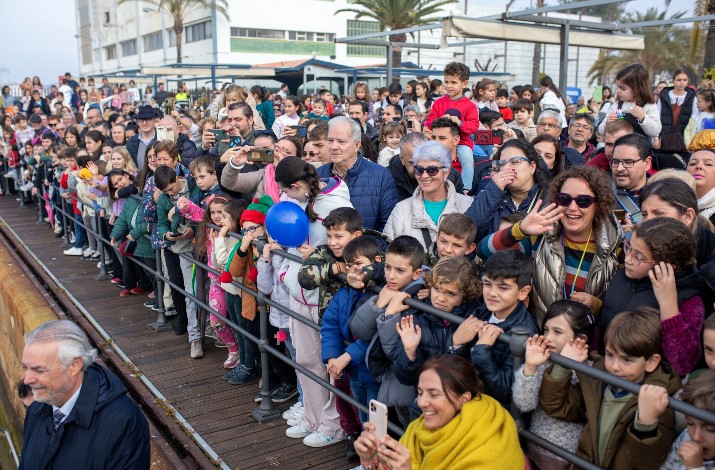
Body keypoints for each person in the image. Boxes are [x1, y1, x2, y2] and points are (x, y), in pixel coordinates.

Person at [539, 308, 681, 469]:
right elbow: (556, 406)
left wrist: (646, 422)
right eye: (610, 355)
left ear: (651, 362)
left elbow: (648, 463)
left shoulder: (658, 398)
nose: (614, 367)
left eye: (627, 360)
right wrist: (563, 365)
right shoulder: (599, 379)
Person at [478, 166, 622, 323]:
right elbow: (485, 251)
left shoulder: (617, 246)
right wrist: (520, 229)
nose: (572, 207)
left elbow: (622, 310)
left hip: (583, 342)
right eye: (564, 199)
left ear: (599, 204)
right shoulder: (540, 236)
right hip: (539, 339)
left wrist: (597, 306)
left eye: (583, 201)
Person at [353, 355, 524, 470]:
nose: (421, 402)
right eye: (420, 392)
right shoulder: (418, 429)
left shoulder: (491, 448)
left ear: (463, 398)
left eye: (433, 394)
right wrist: (371, 460)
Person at [19, 320, 150, 469]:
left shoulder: (123, 422)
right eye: (25, 368)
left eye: (39, 370)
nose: (27, 380)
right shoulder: (36, 409)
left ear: (74, 365)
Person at [599, 218, 705, 377]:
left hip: (646, 388)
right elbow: (607, 318)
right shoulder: (623, 275)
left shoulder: (690, 300)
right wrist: (595, 350)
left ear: (667, 265)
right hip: (605, 370)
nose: (627, 259)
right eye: (628, 248)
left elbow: (682, 364)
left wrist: (668, 305)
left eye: (638, 256)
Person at [514, 300, 595, 470]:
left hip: (572, 456)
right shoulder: (543, 362)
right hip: (537, 449)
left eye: (557, 332)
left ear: (580, 339)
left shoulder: (591, 371)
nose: (548, 337)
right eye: (546, 329)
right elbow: (524, 403)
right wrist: (530, 366)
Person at [455, 250, 540, 405]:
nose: (492, 293)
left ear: (523, 292)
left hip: (488, 410)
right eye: (487, 284)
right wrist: (455, 343)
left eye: (503, 288)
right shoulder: (481, 311)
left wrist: (481, 349)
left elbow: (504, 391)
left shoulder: (525, 333)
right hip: (465, 398)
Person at [384, 141, 472, 249]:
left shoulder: (468, 206)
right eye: (419, 170)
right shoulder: (401, 209)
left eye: (432, 170)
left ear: (446, 172)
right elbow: (390, 252)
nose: (424, 176)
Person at [317, 116, 398, 231]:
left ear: (357, 145)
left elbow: (387, 229)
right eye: (330, 141)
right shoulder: (318, 175)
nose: (334, 147)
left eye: (341, 141)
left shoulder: (381, 176)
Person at [466, 139, 551, 243]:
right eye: (501, 164)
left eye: (515, 162)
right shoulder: (492, 194)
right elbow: (467, 232)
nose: (506, 168)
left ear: (532, 167)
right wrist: (493, 190)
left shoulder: (549, 198)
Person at [424, 62, 479, 192]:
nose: (449, 86)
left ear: (464, 83)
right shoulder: (438, 103)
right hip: (438, 141)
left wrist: (459, 123)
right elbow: (429, 121)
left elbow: (474, 125)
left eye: (453, 82)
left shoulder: (470, 106)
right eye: (446, 82)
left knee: (467, 157)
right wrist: (440, 121)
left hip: (462, 143)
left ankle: (466, 187)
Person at [661, 370, 715, 470]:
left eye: (710, 429)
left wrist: (695, 468)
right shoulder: (685, 436)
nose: (696, 436)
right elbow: (666, 466)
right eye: (690, 423)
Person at [388, 132, 464, 202]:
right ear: (402, 159)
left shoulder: (451, 176)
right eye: (412, 162)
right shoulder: (387, 178)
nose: (418, 168)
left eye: (424, 161)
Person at [597, 63, 661, 138]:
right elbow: (601, 131)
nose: (618, 91)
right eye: (618, 87)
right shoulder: (617, 105)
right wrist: (607, 123)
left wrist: (643, 118)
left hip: (640, 148)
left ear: (638, 88)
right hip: (619, 147)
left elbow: (655, 131)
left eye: (623, 88)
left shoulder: (648, 105)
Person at [611, 133, 653, 222]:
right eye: (615, 162)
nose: (619, 168)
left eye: (628, 162)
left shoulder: (661, 194)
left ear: (647, 163)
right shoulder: (600, 195)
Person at [656, 68, 696, 154]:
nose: (682, 82)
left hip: (683, 139)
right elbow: (657, 117)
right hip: (665, 138)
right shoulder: (664, 96)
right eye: (679, 80)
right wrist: (657, 137)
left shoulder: (693, 98)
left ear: (688, 81)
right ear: (673, 81)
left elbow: (694, 120)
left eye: (684, 80)